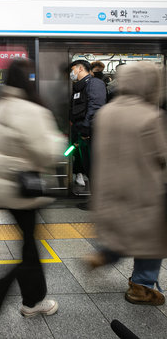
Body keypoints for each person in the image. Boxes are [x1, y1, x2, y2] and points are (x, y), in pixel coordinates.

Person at [0, 59, 65, 339]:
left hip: (4, 190)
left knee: (30, 246)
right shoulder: (31, 111)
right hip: (26, 190)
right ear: (28, 79)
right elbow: (48, 153)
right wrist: (56, 140)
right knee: (30, 252)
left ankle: (33, 302)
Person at [88, 61, 167, 306]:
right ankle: (142, 287)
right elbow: (162, 156)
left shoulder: (106, 112)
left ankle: (107, 254)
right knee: (152, 240)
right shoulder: (151, 116)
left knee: (121, 231)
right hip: (144, 189)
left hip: (109, 188)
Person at [69, 59, 107, 191]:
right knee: (88, 167)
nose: (71, 73)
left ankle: (98, 200)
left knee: (95, 168)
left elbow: (95, 108)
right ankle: (94, 199)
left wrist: (86, 131)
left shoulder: (94, 83)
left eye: (72, 69)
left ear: (80, 68)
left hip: (91, 134)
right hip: (82, 134)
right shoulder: (79, 86)